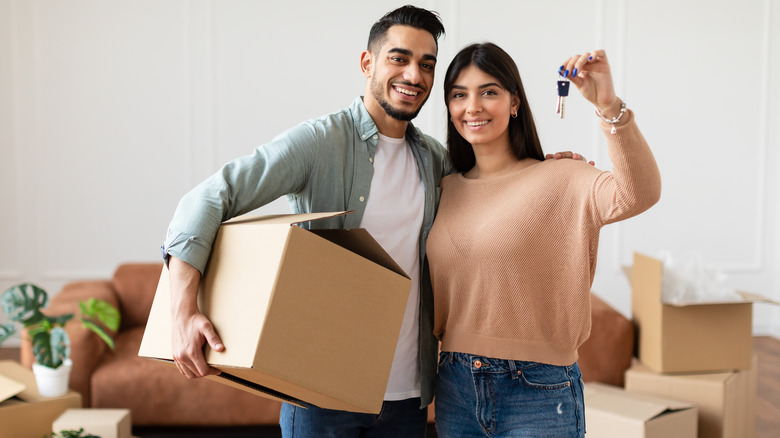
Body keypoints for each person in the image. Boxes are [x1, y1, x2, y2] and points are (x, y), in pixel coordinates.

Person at [426, 43, 662, 437]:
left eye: (489, 91)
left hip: (537, 391)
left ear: (514, 102)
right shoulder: (444, 188)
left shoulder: (562, 178)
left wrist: (609, 106)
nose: (473, 106)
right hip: (455, 386)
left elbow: (640, 192)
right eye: (459, 94)